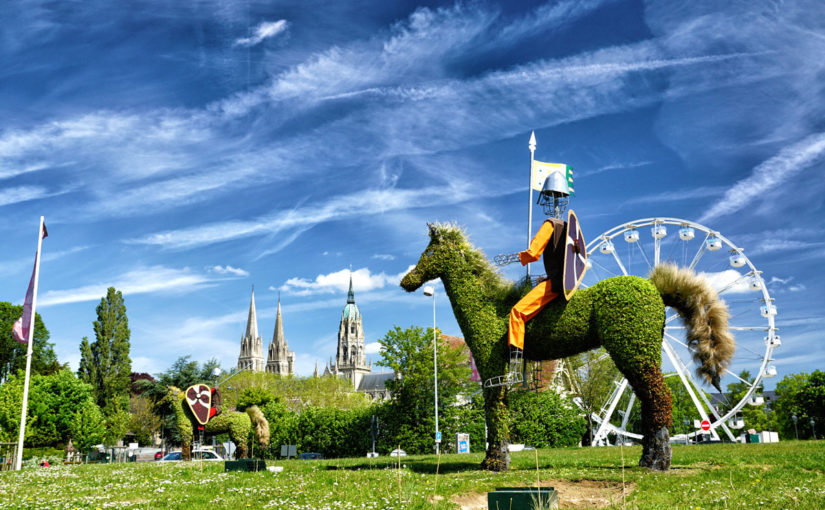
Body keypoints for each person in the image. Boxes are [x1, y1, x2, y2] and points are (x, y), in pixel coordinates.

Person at [507, 172, 571, 379]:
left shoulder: (550, 224)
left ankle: (515, 366)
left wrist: (516, 257)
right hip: (569, 284)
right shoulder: (571, 228)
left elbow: (534, 254)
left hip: (555, 285)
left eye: (546, 198)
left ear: (547, 199)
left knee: (517, 313)